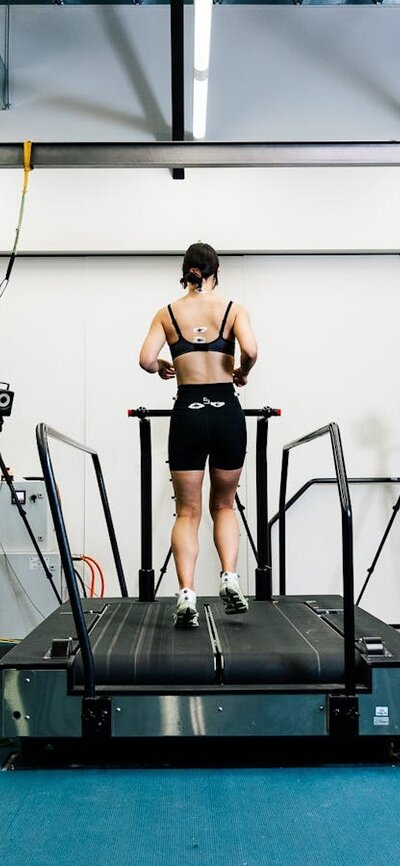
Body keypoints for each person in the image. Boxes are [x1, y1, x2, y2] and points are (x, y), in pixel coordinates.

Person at [139, 242, 258, 628]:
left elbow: (144, 359)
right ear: (214, 272)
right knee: (224, 505)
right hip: (226, 411)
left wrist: (160, 365)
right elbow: (252, 351)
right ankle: (230, 577)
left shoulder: (167, 313)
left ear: (186, 271)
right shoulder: (232, 309)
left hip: (187, 412)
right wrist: (241, 371)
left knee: (187, 512)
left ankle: (186, 593)